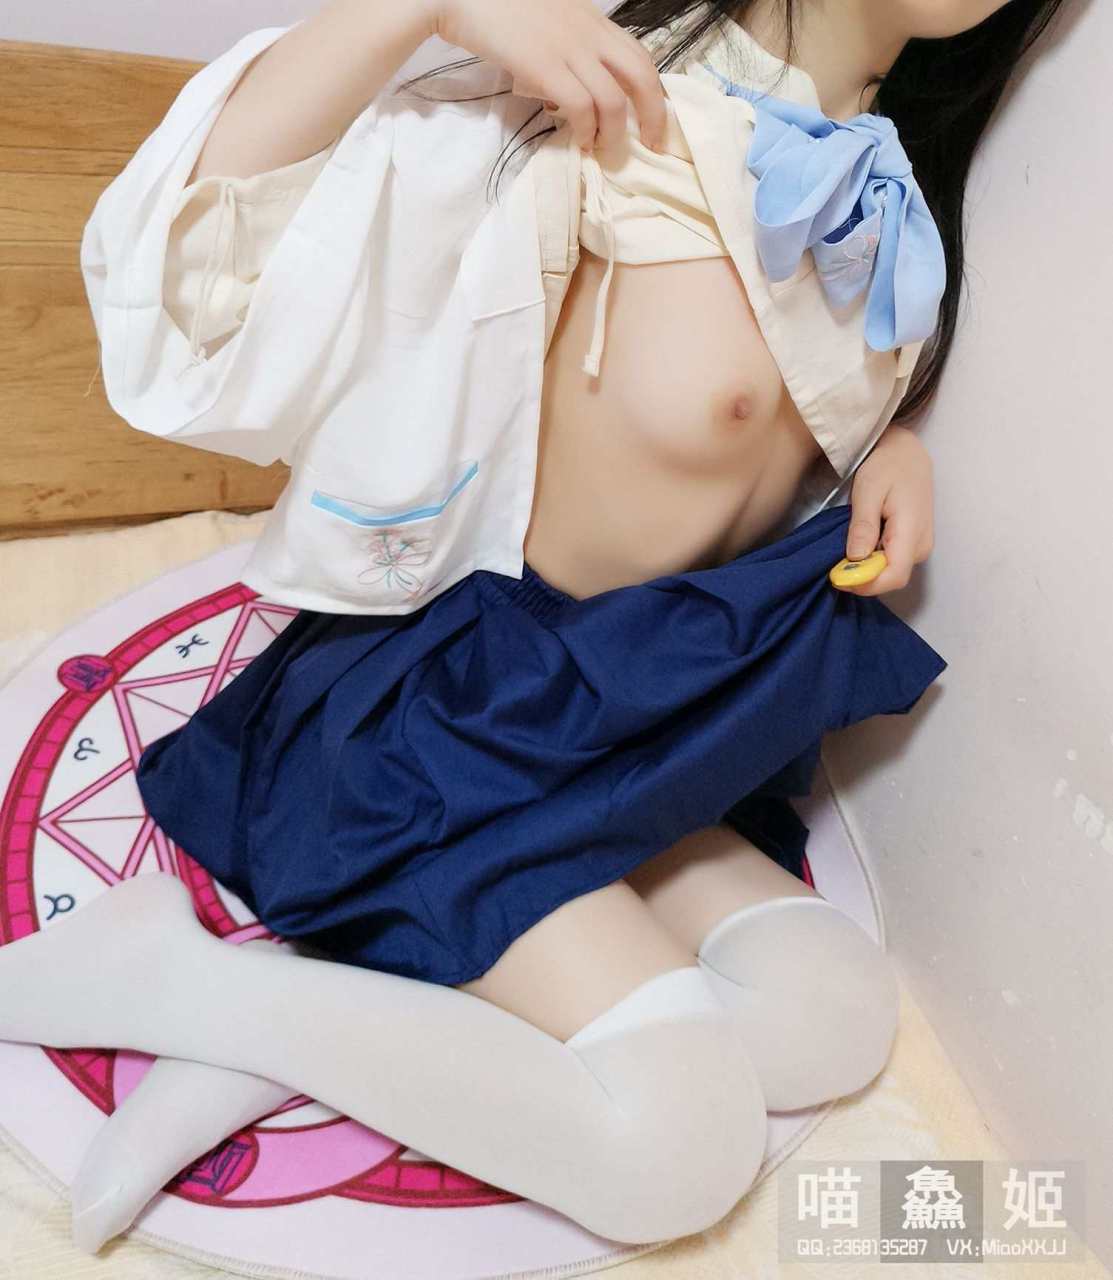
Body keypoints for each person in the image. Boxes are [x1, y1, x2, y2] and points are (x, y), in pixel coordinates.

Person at [0, 0, 1063, 1255]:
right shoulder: (615, 105)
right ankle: (169, 976)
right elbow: (196, 256)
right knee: (676, 1145)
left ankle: (277, 1008)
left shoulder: (896, 181)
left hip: (645, 719)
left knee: (830, 1014)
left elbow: (765, 413)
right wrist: (426, 6)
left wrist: (895, 447)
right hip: (462, 710)